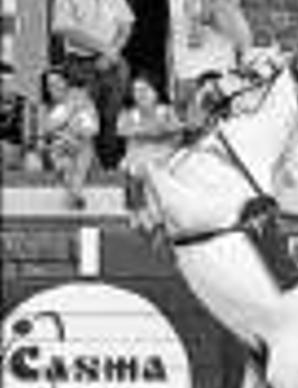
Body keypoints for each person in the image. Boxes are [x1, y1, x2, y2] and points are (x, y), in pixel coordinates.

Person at [51, 0, 134, 169]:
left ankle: (110, 174)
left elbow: (126, 26)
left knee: (112, 122)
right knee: (83, 122)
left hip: (113, 63)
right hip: (80, 64)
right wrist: (105, 48)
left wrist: (113, 52)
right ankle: (84, 176)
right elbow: (64, 28)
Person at [117, 74, 184, 230]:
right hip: (137, 155)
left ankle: (154, 212)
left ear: (156, 92)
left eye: (144, 89)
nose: (140, 94)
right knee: (131, 167)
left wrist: (153, 133)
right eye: (136, 90)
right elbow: (124, 131)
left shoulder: (166, 111)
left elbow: (177, 133)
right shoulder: (128, 113)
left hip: (163, 155)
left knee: (145, 166)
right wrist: (155, 132)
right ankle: (137, 209)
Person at [170, 0, 253, 120]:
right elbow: (171, 40)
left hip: (217, 83)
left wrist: (215, 9)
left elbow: (244, 41)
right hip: (184, 84)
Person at [41, 69, 99, 209]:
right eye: (50, 84)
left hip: (81, 147)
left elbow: (93, 129)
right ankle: (75, 194)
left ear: (66, 82)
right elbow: (46, 129)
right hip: (56, 149)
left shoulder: (84, 102)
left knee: (82, 148)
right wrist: (69, 114)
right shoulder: (45, 107)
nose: (55, 87)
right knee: (60, 152)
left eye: (58, 82)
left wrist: (73, 132)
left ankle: (74, 192)